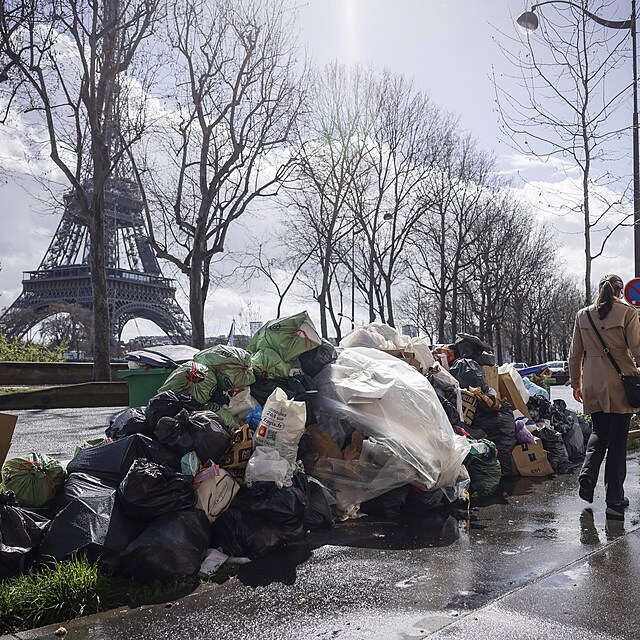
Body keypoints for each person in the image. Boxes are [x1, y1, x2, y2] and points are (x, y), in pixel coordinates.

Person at [569, 274, 640, 517]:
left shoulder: (583, 314)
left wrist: (576, 383)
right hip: (620, 383)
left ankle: (588, 475)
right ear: (620, 292)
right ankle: (614, 498)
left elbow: (575, 355)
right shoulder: (627, 313)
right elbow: (638, 349)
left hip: (592, 382)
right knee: (619, 440)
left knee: (599, 432)